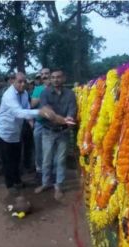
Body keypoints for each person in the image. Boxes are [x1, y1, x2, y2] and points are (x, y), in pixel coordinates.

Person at [0, 72, 54, 195]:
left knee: (16, 159)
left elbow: (26, 109)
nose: (22, 84)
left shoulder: (25, 93)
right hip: (4, 133)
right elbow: (19, 113)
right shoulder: (9, 95)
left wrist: (31, 122)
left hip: (16, 132)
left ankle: (18, 181)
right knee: (7, 161)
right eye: (19, 81)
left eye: (24, 81)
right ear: (13, 82)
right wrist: (40, 112)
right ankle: (10, 185)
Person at [34, 68, 77, 200]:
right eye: (53, 77)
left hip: (63, 132)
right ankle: (45, 183)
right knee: (46, 159)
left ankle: (58, 186)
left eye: (58, 77)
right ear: (50, 79)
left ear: (63, 78)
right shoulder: (45, 93)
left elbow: (72, 110)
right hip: (48, 131)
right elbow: (48, 113)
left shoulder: (70, 94)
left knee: (61, 160)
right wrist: (64, 120)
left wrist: (68, 119)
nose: (55, 79)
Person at [31, 68, 51, 182]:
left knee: (50, 149)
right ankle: (39, 171)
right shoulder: (38, 89)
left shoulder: (55, 88)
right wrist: (44, 93)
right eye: (42, 74)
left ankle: (49, 173)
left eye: (46, 74)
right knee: (38, 148)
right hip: (39, 123)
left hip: (52, 124)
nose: (44, 76)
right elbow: (33, 104)